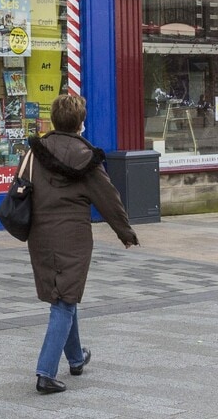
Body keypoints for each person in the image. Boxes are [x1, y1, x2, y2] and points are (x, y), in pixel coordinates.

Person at [24, 92, 139, 395]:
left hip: (39, 235)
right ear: (80, 122)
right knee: (64, 300)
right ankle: (45, 373)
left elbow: (21, 187)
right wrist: (125, 233)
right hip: (71, 238)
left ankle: (76, 358)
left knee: (63, 295)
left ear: (54, 119)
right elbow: (108, 198)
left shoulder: (37, 150)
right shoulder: (85, 156)